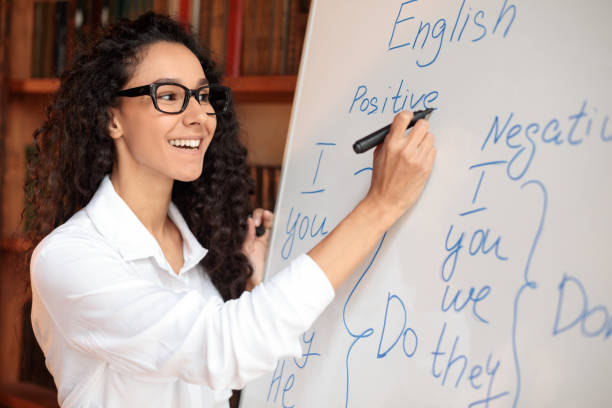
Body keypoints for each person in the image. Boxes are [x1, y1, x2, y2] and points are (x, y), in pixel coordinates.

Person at [24, 11, 436, 408]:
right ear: (111, 118)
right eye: (169, 96)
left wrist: (254, 287)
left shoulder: (199, 250)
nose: (199, 116)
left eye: (203, 97)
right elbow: (222, 348)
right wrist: (382, 205)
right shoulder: (68, 259)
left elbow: (225, 377)